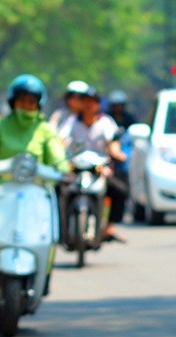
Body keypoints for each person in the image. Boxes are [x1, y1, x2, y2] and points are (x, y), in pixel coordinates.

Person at [0, 74, 70, 252]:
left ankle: (44, 273)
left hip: (36, 192)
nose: (26, 106)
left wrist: (64, 170)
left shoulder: (45, 129)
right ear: (12, 102)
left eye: (31, 102)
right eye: (21, 101)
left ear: (38, 105)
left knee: (48, 234)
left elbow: (57, 156)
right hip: (1, 190)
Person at [59, 87, 128, 242]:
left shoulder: (106, 122)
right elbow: (61, 140)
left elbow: (113, 143)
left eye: (92, 102)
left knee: (120, 191)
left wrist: (117, 154)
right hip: (75, 169)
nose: (89, 106)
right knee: (58, 189)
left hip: (99, 170)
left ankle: (109, 227)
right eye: (85, 102)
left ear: (98, 105)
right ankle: (60, 229)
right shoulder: (71, 122)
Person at [106, 90, 137, 225]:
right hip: (106, 158)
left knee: (122, 188)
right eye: (115, 105)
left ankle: (114, 220)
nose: (117, 108)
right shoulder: (106, 119)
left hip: (123, 158)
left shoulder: (129, 119)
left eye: (119, 105)